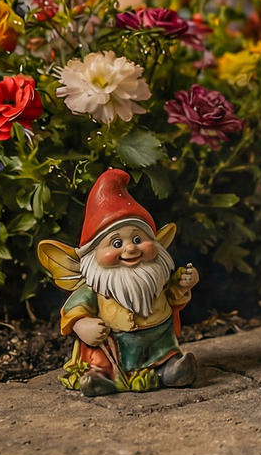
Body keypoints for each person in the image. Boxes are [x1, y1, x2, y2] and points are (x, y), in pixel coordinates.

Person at [38, 168, 200, 395]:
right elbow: (74, 310)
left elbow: (172, 297)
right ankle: (101, 378)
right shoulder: (96, 287)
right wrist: (82, 325)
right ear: (93, 254)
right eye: (116, 243)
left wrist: (184, 284)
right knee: (101, 361)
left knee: (164, 356)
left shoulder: (156, 277)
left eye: (138, 239)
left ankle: (171, 370)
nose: (131, 248)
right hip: (113, 343)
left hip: (156, 341)